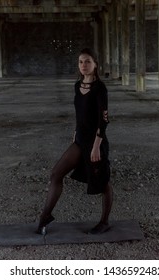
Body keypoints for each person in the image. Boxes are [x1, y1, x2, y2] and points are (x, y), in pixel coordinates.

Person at [36, 48, 113, 235]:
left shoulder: (100, 88)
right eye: (80, 62)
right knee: (56, 174)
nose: (83, 65)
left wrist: (96, 146)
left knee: (103, 182)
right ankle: (45, 216)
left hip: (96, 142)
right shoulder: (77, 85)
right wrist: (75, 134)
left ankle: (104, 221)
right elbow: (80, 115)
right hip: (80, 140)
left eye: (87, 61)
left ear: (95, 64)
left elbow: (103, 120)